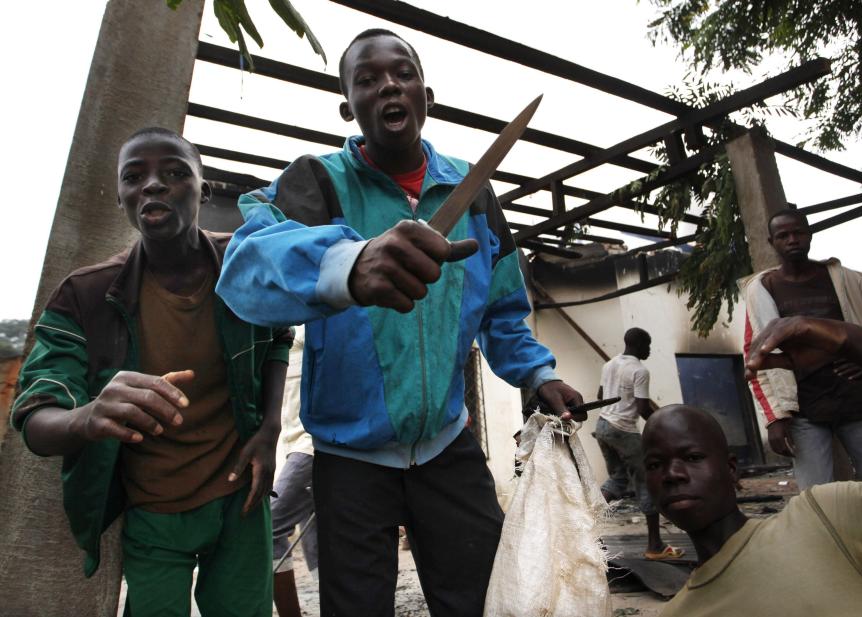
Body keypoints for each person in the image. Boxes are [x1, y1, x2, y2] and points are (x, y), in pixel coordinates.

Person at [215, 29, 584, 617]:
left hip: (447, 447)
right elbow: (243, 270)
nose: (388, 84)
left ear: (426, 96)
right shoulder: (317, 181)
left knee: (486, 602)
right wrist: (348, 264)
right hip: (348, 460)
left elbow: (505, 312)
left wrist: (537, 376)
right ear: (348, 106)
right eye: (367, 79)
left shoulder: (476, 195)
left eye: (402, 73)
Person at [11, 128, 291, 616]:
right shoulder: (86, 297)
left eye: (175, 173)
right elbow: (35, 415)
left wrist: (270, 427)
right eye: (134, 176)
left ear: (203, 191)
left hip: (239, 499)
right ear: (122, 196)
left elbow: (279, 336)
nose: (154, 185)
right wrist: (88, 416)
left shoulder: (244, 263)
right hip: (153, 511)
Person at [643, 315, 862, 616]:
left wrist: (856, 344)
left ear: (731, 468)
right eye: (656, 464)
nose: (672, 475)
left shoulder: (829, 516)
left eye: (693, 457)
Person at [742, 208, 862, 489]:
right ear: (772, 242)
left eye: (798, 232)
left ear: (810, 236)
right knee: (817, 496)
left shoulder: (843, 278)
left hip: (854, 395)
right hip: (803, 406)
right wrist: (774, 418)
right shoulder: (761, 289)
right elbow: (754, 354)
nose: (792, 239)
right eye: (783, 235)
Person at [596, 328, 679, 560]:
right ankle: (655, 546)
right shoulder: (640, 370)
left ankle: (584, 523)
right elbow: (642, 409)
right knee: (647, 483)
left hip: (602, 426)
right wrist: (665, 425)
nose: (649, 350)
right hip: (623, 430)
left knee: (617, 479)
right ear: (639, 344)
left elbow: (601, 394)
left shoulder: (609, 365)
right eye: (648, 345)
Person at [271, 326, 318, 617]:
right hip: (292, 444)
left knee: (268, 528)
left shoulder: (312, 317)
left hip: (311, 445)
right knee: (316, 539)